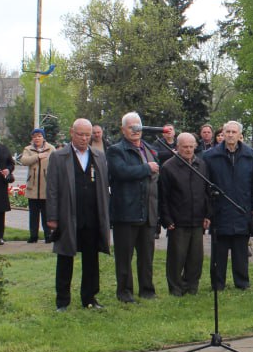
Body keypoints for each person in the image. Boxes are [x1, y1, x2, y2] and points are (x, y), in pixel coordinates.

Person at [46, 119, 111, 311]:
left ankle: (89, 298)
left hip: (92, 216)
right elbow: (52, 189)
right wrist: (52, 217)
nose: (84, 138)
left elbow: (104, 188)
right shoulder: (59, 157)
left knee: (91, 259)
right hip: (68, 215)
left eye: (87, 135)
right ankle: (62, 301)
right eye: (80, 134)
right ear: (71, 133)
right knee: (65, 257)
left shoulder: (98, 156)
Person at [202, 121, 253, 291]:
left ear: (239, 135)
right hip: (219, 210)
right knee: (219, 252)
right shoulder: (210, 156)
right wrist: (208, 210)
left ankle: (242, 282)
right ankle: (217, 284)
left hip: (242, 209)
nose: (230, 135)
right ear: (222, 133)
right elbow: (204, 186)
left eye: (233, 132)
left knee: (240, 251)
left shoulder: (251, 156)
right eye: (227, 131)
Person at [107, 112, 160, 302]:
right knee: (124, 257)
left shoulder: (150, 149)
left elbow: (156, 178)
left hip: (147, 212)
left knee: (146, 257)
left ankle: (147, 290)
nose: (135, 130)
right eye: (131, 127)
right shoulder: (116, 150)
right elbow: (121, 172)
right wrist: (147, 168)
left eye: (138, 127)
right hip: (126, 212)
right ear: (123, 129)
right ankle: (125, 292)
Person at [159, 132, 210, 296]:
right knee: (177, 257)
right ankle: (175, 288)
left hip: (197, 219)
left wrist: (208, 215)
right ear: (177, 147)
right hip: (177, 220)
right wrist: (166, 219)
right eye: (185, 147)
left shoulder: (201, 165)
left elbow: (207, 192)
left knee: (196, 258)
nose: (188, 150)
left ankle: (191, 286)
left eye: (191, 147)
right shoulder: (168, 167)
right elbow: (163, 196)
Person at [18, 127, 56, 243]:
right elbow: (24, 161)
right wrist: (37, 156)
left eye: (39, 136)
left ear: (43, 137)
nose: (37, 139)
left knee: (46, 214)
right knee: (33, 215)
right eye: (35, 137)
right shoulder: (28, 149)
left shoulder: (51, 149)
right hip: (33, 187)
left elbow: (56, 162)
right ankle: (33, 235)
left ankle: (48, 235)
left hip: (46, 186)